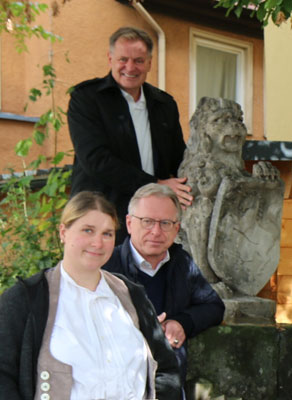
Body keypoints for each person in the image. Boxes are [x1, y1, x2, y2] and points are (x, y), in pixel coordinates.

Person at [0, 191, 181, 399]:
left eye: (107, 234)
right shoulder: (26, 298)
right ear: (63, 232)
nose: (98, 243)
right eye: (88, 230)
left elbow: (166, 368)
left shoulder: (131, 295)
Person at [68, 26, 192, 244]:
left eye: (139, 60)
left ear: (150, 63)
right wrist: (156, 184)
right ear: (110, 59)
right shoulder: (87, 98)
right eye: (123, 59)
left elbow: (178, 158)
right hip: (102, 216)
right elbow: (95, 160)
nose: (130, 67)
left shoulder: (164, 104)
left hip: (152, 221)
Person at [102, 183, 224, 387]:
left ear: (176, 228)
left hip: (169, 383)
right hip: (118, 384)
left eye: (165, 223)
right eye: (147, 221)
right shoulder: (106, 266)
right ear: (130, 223)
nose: (156, 231)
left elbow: (214, 307)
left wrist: (182, 323)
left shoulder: (181, 263)